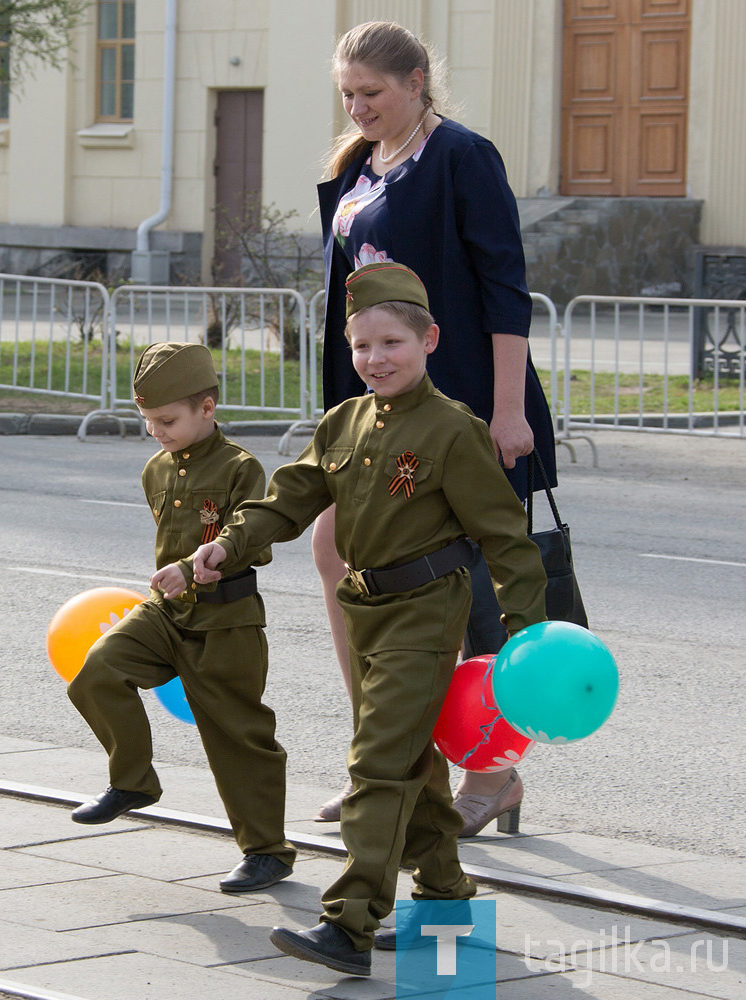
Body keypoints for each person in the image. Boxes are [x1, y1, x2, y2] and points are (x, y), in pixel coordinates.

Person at [169, 262, 548, 977]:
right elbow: (288, 499)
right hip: (367, 610)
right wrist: (226, 545)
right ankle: (444, 904)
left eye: (391, 343)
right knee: (412, 765)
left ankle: (349, 925)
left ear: (430, 339)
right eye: (362, 346)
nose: (375, 359)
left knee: (376, 762)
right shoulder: (344, 421)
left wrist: (526, 641)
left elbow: (506, 538)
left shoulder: (452, 430)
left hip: (427, 614)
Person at [312, 19, 558, 832]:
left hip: (463, 410)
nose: (358, 106)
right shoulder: (354, 165)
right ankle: (384, 762)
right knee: (339, 552)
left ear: (416, 81)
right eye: (348, 93)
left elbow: (503, 288)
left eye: (372, 92)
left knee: (472, 594)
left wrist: (509, 409)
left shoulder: (461, 157)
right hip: (376, 409)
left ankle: (493, 768)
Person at [67, 342, 295, 894]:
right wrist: (176, 580)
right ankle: (134, 782)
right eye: (148, 422)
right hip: (166, 614)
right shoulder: (155, 471)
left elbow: (254, 544)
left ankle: (267, 851)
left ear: (207, 408)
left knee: (236, 734)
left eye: (167, 420)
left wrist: (200, 568)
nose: (157, 432)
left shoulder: (242, 468)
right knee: (98, 671)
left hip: (227, 620)